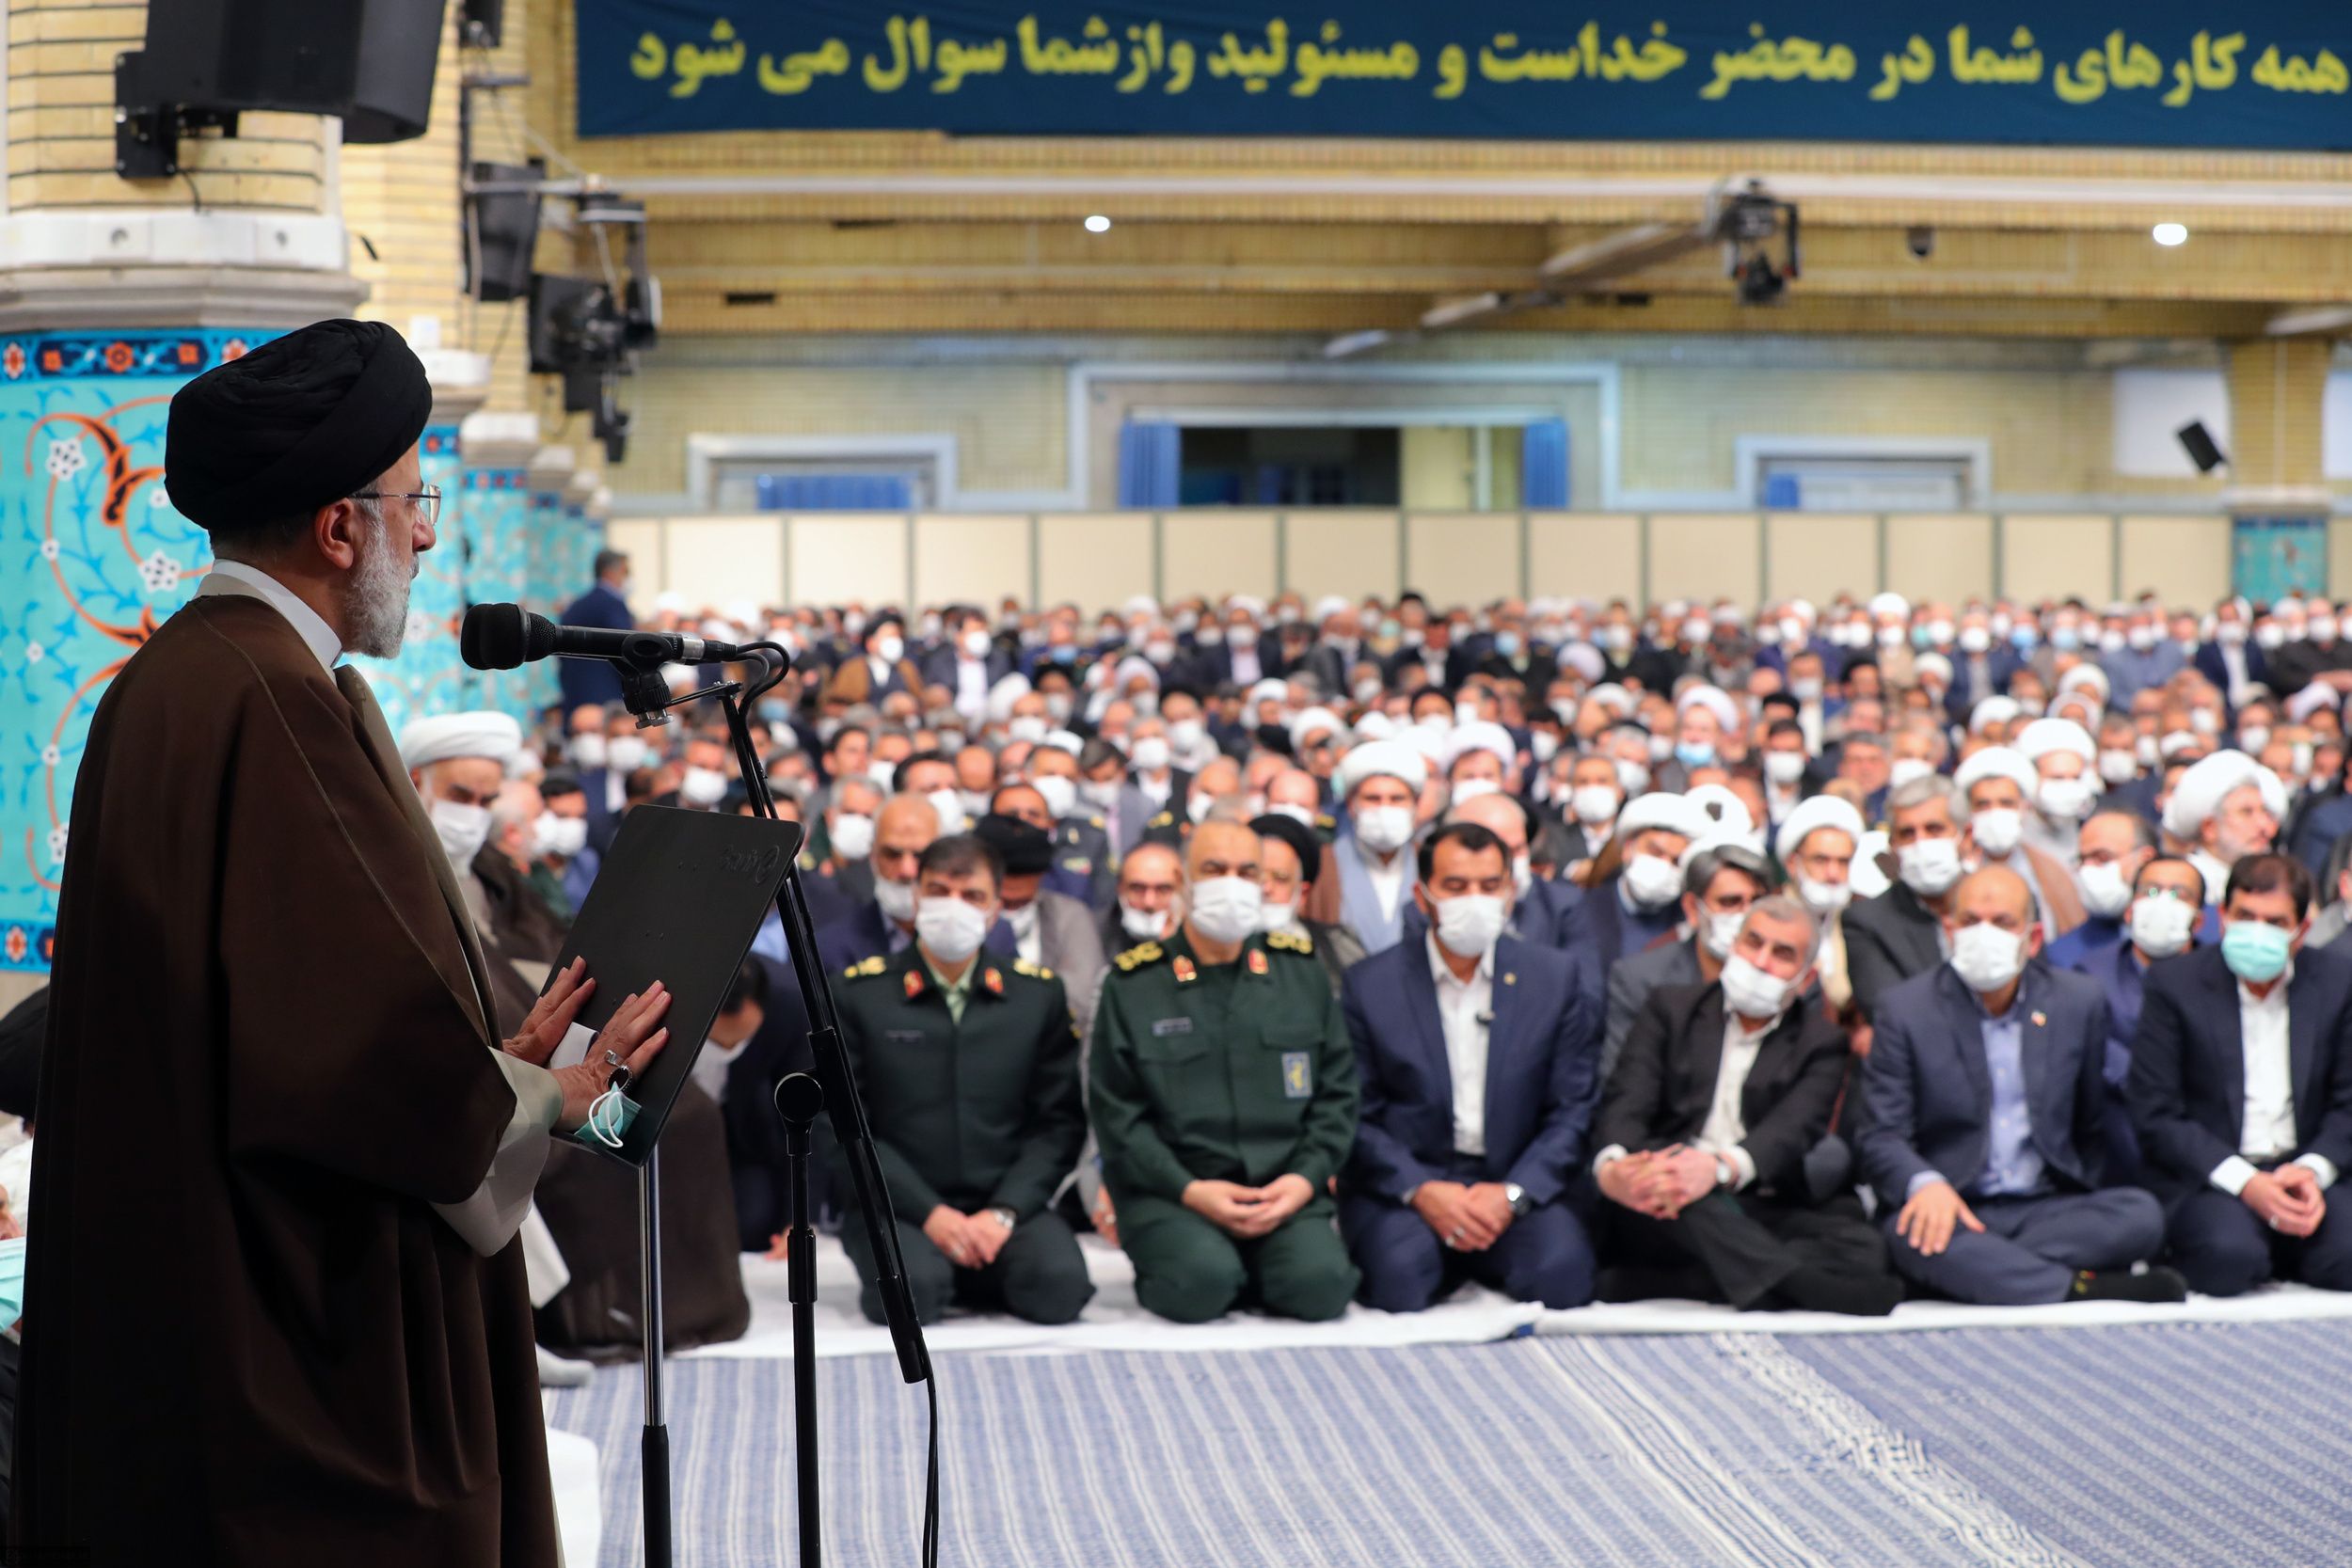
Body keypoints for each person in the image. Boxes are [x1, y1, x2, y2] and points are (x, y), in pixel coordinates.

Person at [20, 319, 671, 1562]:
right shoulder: (276, 703)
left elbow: (308, 992)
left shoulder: (183, 680)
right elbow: (351, 1062)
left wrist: (503, 1052)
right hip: (284, 1325)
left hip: (185, 1288)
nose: (426, 534)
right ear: (339, 526)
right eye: (414, 499)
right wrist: (549, 1086)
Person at [1860, 866, 2182, 1306]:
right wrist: (1925, 1183)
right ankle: (2083, 1285)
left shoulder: (2076, 1001)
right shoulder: (1906, 1009)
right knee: (1908, 1233)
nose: (1984, 934)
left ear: (2031, 939)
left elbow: (2089, 1120)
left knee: (2141, 1216)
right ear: (1950, 932)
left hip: (2046, 1207)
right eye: (1971, 922)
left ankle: (1973, 1273)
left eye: (2002, 922)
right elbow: (1881, 1134)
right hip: (1952, 1205)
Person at [1089, 820, 1360, 1323]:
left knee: (1321, 1288)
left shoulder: (1300, 974)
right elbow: (1118, 1116)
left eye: (1246, 871)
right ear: (1185, 882)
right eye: (1214, 869)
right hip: (1175, 1192)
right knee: (1198, 1287)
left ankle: (1261, 1265)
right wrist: (1190, 1190)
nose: (1231, 883)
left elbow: (1337, 1094)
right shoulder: (1134, 984)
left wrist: (1303, 1181)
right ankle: (1223, 1264)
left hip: (1280, 1189)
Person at [1595, 897, 1901, 1314]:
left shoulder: (1821, 1041)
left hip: (1754, 1194)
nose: (1761, 962)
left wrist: (1718, 1169)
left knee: (1862, 1246)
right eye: (1752, 943)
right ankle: (1805, 1287)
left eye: (1782, 954)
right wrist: (1618, 1165)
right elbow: (1627, 1100)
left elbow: (1791, 1132)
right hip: (1668, 1194)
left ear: (1807, 979)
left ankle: (1691, 1283)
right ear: (1732, 947)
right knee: (1680, 1191)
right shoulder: (1671, 1009)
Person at [1339, 823, 1600, 1312]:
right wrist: (1421, 1189)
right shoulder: (1370, 985)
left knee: (1562, 1279)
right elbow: (1356, 1113)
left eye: (1489, 886)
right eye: (1456, 887)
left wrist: (1512, 1195)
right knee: (1398, 1283)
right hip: (1414, 1184)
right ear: (1423, 896)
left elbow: (1573, 1108)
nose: (1475, 900)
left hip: (1514, 1180)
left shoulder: (1554, 977)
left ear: (1510, 890)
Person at [834, 835, 1095, 1325]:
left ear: (997, 908)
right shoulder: (859, 994)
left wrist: (1005, 1213)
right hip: (900, 1204)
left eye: (972, 896)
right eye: (938, 891)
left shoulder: (1035, 996)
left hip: (1004, 1203)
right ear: (916, 898)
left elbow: (1058, 1123)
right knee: (913, 1296)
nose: (953, 908)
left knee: (1059, 1289)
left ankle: (978, 1259)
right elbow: (844, 1127)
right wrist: (931, 1215)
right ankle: (954, 1267)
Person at [2129, 854, 2352, 1296]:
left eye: (2274, 921)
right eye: (2244, 916)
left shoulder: (2338, 980)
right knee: (2228, 1260)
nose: (2256, 931)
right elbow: (2155, 1114)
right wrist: (2247, 1182)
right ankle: (2264, 1244)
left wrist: (2311, 1170)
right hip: (2215, 1173)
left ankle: (2288, 1242)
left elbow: (2348, 1102)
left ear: (2300, 931)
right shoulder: (2175, 984)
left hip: (2301, 1168)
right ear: (2222, 917)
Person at [1603, 843, 1770, 1076]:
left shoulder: (1786, 981)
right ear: (1692, 908)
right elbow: (1622, 1086)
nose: (1746, 915)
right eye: (1730, 902)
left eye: (1757, 901)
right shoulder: (1641, 980)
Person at [973, 811, 1108, 1044]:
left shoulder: (1069, 915)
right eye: (1003, 901)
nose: (1011, 911)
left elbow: (1083, 997)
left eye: (1021, 901)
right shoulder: (957, 916)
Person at [1844, 772, 1969, 1022]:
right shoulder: (1867, 921)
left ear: (1966, 836)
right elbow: (1888, 1012)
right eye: (1908, 833)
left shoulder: (2006, 903)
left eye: (1934, 829)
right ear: (1892, 847)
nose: (1921, 843)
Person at [1951, 746, 2087, 940]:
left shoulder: (2048, 870)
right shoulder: (1955, 869)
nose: (1994, 812)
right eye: (1983, 804)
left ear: (2024, 807)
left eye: (2006, 803)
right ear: (1970, 811)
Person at [1331, 739, 1428, 955]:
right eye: (1373, 799)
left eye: (1397, 799)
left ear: (1415, 805)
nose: (1385, 809)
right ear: (1351, 805)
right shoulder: (1327, 863)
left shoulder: (1430, 861)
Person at [2162, 749, 2286, 903]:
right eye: (2246, 812)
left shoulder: (2278, 881)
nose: (2264, 826)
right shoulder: (2182, 886)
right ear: (2210, 828)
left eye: (2264, 812)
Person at [2045, 810, 2156, 969]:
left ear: (2145, 859)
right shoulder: (2063, 955)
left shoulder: (2187, 933)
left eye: (2103, 858)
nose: (2088, 870)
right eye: (2082, 860)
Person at [558, 547, 635, 712]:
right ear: (610, 572)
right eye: (625, 571)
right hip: (605, 697)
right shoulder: (612, 605)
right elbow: (627, 650)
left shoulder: (576, 606)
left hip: (575, 695)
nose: (628, 578)